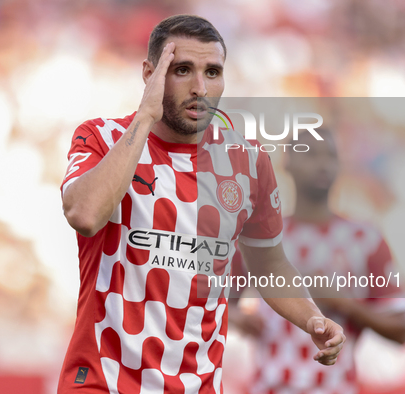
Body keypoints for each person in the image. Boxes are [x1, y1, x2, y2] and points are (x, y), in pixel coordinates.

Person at [58, 15, 345, 394]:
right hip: (103, 382)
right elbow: (85, 214)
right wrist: (145, 116)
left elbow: (269, 263)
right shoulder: (101, 137)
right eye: (182, 70)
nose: (199, 87)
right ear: (150, 73)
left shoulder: (247, 161)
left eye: (212, 72)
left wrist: (312, 319)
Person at [230, 129, 405, 394]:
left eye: (330, 156)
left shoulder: (365, 239)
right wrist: (239, 318)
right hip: (270, 387)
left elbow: (403, 329)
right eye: (311, 154)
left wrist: (345, 305)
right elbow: (220, 304)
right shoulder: (259, 236)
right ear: (287, 161)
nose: (322, 164)